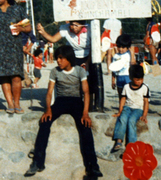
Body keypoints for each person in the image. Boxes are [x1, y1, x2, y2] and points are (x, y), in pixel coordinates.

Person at [24, 45, 102, 178]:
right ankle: (38, 162)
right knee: (44, 122)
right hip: (60, 101)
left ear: (69, 58)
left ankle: (93, 166)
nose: (58, 61)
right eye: (57, 58)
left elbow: (86, 92)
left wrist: (85, 113)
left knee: (85, 126)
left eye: (61, 58)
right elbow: (49, 93)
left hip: (76, 102)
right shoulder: (55, 71)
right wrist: (48, 109)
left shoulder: (79, 71)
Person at [111, 64, 150, 152]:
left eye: (141, 79)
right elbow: (123, 99)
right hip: (127, 108)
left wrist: (144, 115)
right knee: (123, 118)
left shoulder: (144, 88)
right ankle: (119, 141)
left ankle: (131, 144)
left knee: (132, 120)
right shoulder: (126, 87)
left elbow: (146, 102)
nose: (140, 81)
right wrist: (120, 111)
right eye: (137, 79)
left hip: (138, 109)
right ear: (131, 78)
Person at [111, 34, 133, 102]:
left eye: (123, 47)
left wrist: (132, 53)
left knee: (129, 94)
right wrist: (113, 80)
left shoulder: (129, 54)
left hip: (128, 77)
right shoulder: (115, 56)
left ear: (128, 47)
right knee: (120, 94)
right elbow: (113, 69)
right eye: (119, 47)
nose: (120, 49)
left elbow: (133, 64)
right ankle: (121, 109)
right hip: (119, 77)